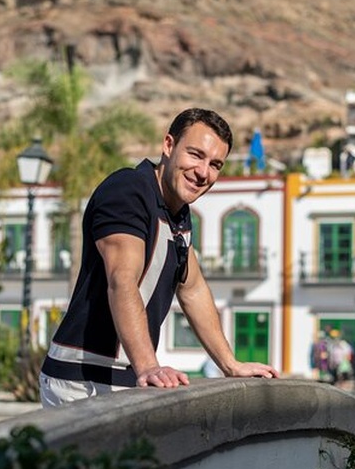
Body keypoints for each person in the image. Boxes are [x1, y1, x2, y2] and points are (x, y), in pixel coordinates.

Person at [39, 108, 279, 407]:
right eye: (195, 155)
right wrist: (149, 367)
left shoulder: (178, 213)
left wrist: (230, 365)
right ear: (168, 145)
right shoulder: (128, 191)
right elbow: (122, 280)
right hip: (81, 380)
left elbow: (192, 289)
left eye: (215, 164)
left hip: (127, 378)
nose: (203, 172)